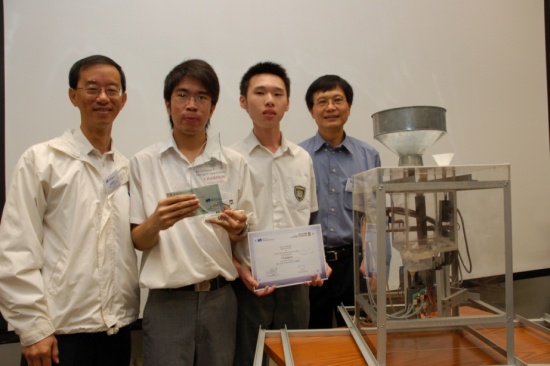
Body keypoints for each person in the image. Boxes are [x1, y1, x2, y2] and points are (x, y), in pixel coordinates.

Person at [0, 55, 140, 366]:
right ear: (73, 96)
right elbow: (16, 246)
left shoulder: (126, 168)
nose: (103, 97)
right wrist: (33, 328)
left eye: (112, 90)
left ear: (123, 99)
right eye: (92, 88)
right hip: (58, 334)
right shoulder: (42, 160)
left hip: (116, 332)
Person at [129, 59, 255, 366]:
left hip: (221, 299)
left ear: (212, 107)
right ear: (167, 103)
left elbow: (244, 233)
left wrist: (238, 228)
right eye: (182, 95)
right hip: (167, 302)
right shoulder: (143, 162)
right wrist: (157, 222)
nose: (191, 105)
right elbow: (137, 240)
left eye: (202, 97)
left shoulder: (233, 162)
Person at [230, 61, 328, 366]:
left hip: (298, 285)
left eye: (277, 94)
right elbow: (221, 229)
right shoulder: (231, 160)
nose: (269, 100)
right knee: (249, 359)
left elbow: (309, 218)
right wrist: (237, 267)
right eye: (260, 93)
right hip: (249, 285)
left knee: (295, 358)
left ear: (287, 103)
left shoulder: (302, 159)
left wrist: (317, 259)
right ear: (243, 101)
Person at [300, 74, 390, 329]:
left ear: (349, 107)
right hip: (311, 265)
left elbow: (376, 214)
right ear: (311, 110)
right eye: (322, 101)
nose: (330, 107)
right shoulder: (297, 156)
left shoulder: (368, 155)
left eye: (338, 100)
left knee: (358, 336)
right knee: (312, 337)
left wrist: (376, 264)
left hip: (354, 264)